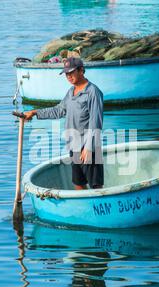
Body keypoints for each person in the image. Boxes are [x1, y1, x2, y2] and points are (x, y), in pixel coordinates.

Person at [23, 57, 104, 190]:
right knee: (78, 183)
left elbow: (96, 122)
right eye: (66, 73)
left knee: (95, 185)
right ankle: (83, 210)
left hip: (89, 147)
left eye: (71, 72)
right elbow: (59, 110)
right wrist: (35, 112)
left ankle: (100, 209)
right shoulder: (71, 92)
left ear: (81, 71)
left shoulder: (93, 92)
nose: (69, 76)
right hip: (74, 145)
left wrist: (89, 148)